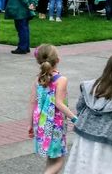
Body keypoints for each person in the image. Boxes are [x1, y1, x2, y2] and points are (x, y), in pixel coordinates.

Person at [64, 52, 112, 174]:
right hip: (109, 143)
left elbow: (79, 107)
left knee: (82, 167)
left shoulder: (89, 86)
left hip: (84, 137)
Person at [29, 44, 78, 174]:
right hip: (55, 124)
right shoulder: (61, 80)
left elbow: (32, 103)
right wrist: (75, 119)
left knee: (52, 159)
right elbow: (59, 103)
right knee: (59, 161)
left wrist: (30, 125)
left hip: (40, 122)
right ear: (57, 60)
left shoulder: (38, 79)